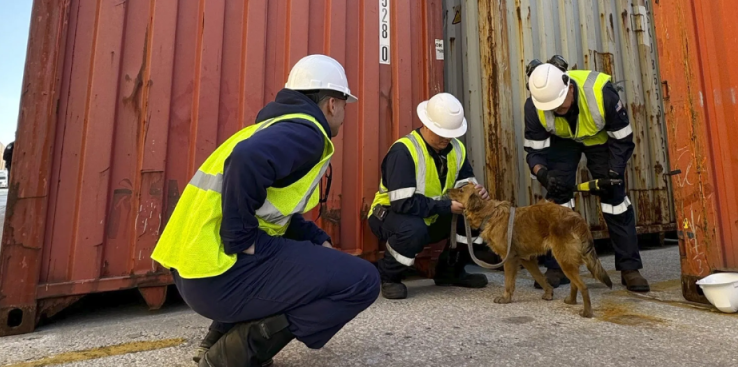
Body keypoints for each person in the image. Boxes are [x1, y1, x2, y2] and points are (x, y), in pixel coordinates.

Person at [151, 54, 380, 367]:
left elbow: (271, 209)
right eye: (344, 104)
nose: (343, 113)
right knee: (362, 280)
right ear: (331, 103)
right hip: (220, 275)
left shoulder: (268, 128)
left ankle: (218, 338)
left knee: (304, 254)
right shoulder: (308, 132)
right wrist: (241, 240)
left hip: (194, 270)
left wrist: (315, 237)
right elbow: (247, 161)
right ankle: (233, 356)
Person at [523, 59, 650, 292]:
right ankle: (556, 267)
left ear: (569, 87)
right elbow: (535, 151)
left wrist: (614, 172)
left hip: (599, 138)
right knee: (557, 201)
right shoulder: (534, 106)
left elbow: (622, 139)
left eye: (560, 104)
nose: (556, 110)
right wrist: (543, 174)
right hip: (563, 141)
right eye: (550, 107)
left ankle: (629, 268)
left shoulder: (602, 94)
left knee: (616, 201)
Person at [367, 92, 490, 299]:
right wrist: (446, 207)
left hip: (431, 213)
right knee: (413, 229)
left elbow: (465, 183)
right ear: (425, 124)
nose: (445, 138)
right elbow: (402, 203)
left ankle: (450, 271)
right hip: (389, 215)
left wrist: (476, 193)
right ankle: (389, 276)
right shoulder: (403, 152)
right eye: (440, 132)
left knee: (475, 215)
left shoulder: (456, 149)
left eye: (450, 133)